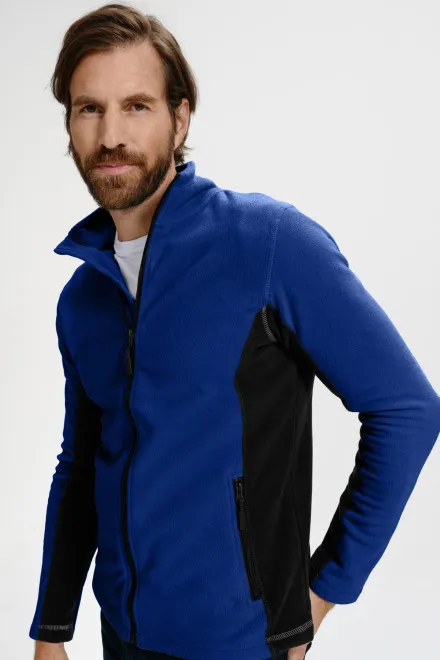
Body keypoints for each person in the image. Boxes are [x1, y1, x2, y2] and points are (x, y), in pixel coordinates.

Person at [29, 3, 439, 660]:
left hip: (239, 644)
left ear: (180, 118)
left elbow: (408, 409)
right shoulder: (83, 299)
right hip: (121, 636)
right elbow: (80, 464)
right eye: (89, 109)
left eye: (136, 106)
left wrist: (320, 594)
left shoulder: (268, 245)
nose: (110, 134)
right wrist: (52, 628)